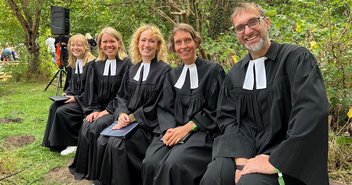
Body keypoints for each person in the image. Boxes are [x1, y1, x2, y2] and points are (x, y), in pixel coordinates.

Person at [200, 2, 329, 185]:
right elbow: (227, 120)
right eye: (240, 28)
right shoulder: (235, 75)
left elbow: (311, 112)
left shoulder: (296, 59)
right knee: (215, 176)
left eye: (253, 22)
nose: (248, 31)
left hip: (289, 157)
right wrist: (240, 159)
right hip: (245, 152)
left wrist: (275, 160)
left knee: (250, 183)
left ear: (267, 23)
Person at [142, 23, 225, 185]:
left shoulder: (213, 71)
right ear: (173, 47)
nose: (183, 46)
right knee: (150, 162)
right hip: (174, 131)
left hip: (203, 132)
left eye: (187, 40)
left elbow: (218, 109)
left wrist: (188, 127)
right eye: (178, 42)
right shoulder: (172, 75)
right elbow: (165, 108)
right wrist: (170, 130)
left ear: (196, 42)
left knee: (174, 165)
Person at [95, 24, 171, 185]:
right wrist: (122, 114)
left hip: (147, 125)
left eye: (152, 41)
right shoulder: (133, 68)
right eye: (143, 40)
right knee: (103, 139)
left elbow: (157, 104)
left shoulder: (165, 71)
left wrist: (131, 118)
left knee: (118, 144)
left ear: (158, 45)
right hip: (126, 120)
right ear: (137, 43)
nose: (147, 45)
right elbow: (122, 96)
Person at [69, 27, 131, 181]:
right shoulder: (95, 65)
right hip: (100, 109)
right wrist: (94, 110)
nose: (108, 45)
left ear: (119, 43)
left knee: (96, 127)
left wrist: (107, 111)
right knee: (87, 124)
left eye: (112, 41)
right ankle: (85, 169)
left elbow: (124, 93)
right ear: (100, 44)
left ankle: (96, 171)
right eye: (105, 42)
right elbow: (91, 92)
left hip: (117, 110)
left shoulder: (127, 64)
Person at [42, 34, 95, 155]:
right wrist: (67, 93)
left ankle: (73, 142)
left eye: (79, 45)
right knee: (54, 107)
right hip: (76, 98)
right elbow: (71, 85)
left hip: (87, 101)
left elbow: (92, 89)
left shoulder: (92, 64)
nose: (75, 48)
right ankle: (53, 142)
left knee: (63, 111)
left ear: (85, 47)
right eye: (73, 45)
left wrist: (76, 98)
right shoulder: (73, 64)